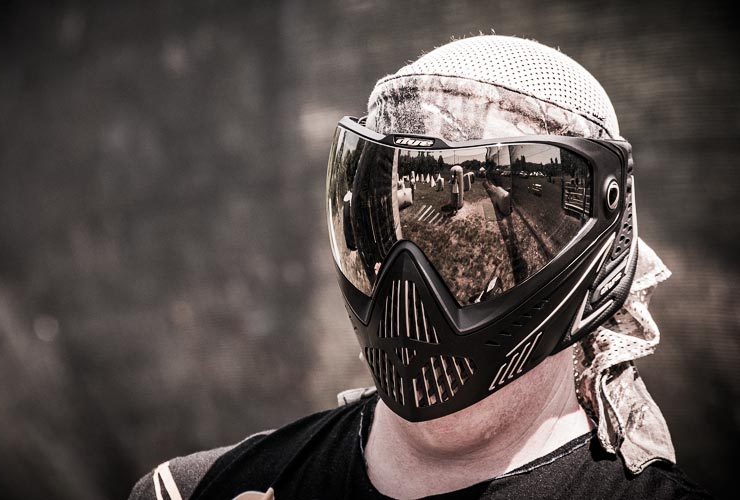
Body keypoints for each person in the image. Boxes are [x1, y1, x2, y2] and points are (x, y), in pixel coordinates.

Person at [129, 35, 711, 500]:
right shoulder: (196, 489)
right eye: (392, 218)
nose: (414, 278)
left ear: (595, 237)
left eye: (489, 209)